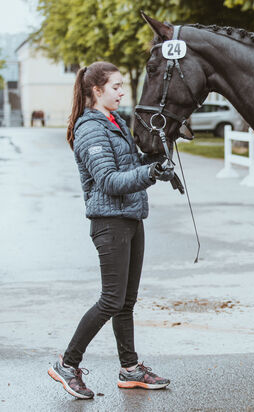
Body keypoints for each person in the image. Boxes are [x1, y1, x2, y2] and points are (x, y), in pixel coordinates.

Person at [47, 61, 173, 399]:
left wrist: (158, 163)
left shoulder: (115, 122)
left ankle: (130, 369)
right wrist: (150, 174)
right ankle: (67, 364)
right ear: (96, 90)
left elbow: (130, 167)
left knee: (126, 302)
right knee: (111, 300)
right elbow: (108, 180)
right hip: (109, 222)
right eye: (116, 86)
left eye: (122, 87)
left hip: (131, 218)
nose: (121, 92)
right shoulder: (91, 128)